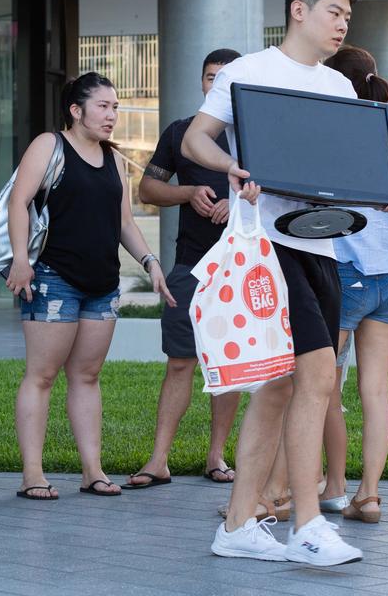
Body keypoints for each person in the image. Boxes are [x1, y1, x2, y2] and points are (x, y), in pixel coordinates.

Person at [184, 0, 375, 566]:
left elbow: (345, 167)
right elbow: (197, 140)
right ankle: (309, 524)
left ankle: (238, 524)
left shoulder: (341, 89)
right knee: (318, 375)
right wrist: (233, 170)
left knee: (277, 386)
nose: (343, 23)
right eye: (334, 12)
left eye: (348, 16)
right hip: (268, 247)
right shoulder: (248, 72)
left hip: (322, 245)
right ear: (299, 9)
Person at [7, 72, 176, 500]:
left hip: (102, 282)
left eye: (115, 107)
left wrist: (150, 262)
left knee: (87, 375)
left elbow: (124, 223)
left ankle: (92, 471)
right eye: (103, 106)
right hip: (52, 278)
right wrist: (21, 261)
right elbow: (18, 201)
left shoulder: (115, 160)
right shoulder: (49, 146)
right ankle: (32, 474)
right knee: (42, 375)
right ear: (76, 110)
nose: (112, 115)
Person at [318, 46, 388, 523]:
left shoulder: (334, 137)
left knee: (322, 388)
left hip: (345, 274)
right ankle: (369, 494)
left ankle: (328, 486)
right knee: (375, 391)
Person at [123, 48, 243, 491]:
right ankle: (158, 461)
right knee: (180, 363)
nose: (216, 85)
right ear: (202, 82)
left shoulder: (254, 134)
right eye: (210, 77)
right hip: (190, 265)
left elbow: (280, 196)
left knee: (229, 367)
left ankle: (217, 456)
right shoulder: (180, 133)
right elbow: (149, 188)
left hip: (240, 268)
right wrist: (189, 192)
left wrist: (241, 203)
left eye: (225, 78)